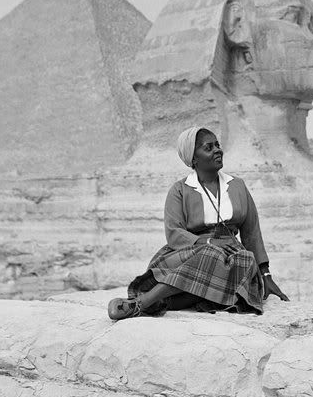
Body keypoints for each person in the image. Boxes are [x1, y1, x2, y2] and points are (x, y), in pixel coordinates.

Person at [108, 126, 288, 320]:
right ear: (194, 159)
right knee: (210, 254)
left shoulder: (237, 186)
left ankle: (149, 303)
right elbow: (174, 232)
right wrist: (209, 243)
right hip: (190, 251)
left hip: (232, 257)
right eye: (208, 148)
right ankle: (143, 303)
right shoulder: (179, 190)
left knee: (244, 260)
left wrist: (266, 276)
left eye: (217, 145)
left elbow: (252, 233)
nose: (218, 150)